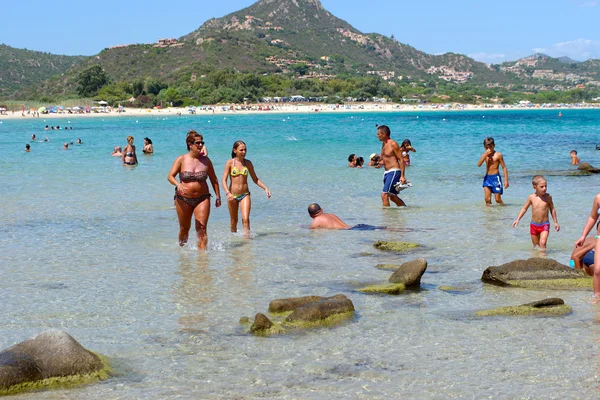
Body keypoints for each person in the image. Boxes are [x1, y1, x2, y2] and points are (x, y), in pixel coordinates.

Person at [168, 130, 222, 250]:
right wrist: (178, 184)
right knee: (184, 228)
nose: (200, 145)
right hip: (183, 199)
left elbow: (214, 179)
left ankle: (202, 261)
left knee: (202, 229)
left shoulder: (206, 161)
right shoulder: (181, 159)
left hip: (202, 198)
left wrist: (218, 197)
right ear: (189, 144)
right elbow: (170, 176)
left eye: (202, 142)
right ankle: (183, 256)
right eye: (197, 143)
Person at [222, 140, 271, 236]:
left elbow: (255, 179)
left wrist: (265, 188)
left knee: (245, 219)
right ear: (235, 150)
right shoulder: (230, 163)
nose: (244, 152)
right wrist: (228, 193)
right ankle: (234, 243)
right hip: (232, 196)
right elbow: (224, 180)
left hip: (245, 194)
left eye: (245, 150)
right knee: (233, 221)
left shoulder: (248, 163)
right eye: (241, 150)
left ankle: (247, 244)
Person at [512, 175, 560, 249]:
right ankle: (538, 258)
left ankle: (544, 259)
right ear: (535, 187)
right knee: (536, 246)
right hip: (534, 225)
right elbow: (524, 208)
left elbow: (552, 209)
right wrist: (517, 219)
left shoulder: (548, 197)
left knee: (542, 243)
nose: (544, 188)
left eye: (545, 186)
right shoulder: (531, 197)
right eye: (542, 187)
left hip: (544, 224)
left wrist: (555, 222)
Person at [574, 194, 600, 303]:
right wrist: (583, 235)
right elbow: (593, 217)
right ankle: (597, 296)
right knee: (598, 269)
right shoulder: (598, 198)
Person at [376, 125, 407, 207]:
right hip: (387, 173)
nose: (377, 135)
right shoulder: (383, 144)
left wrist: (402, 176)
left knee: (384, 195)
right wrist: (380, 163)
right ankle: (405, 210)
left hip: (394, 172)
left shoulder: (393, 144)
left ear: (384, 134)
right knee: (392, 196)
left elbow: (401, 159)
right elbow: (387, 158)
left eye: (378, 134)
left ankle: (386, 217)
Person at [477, 137, 509, 205]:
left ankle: (504, 209)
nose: (488, 149)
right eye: (486, 147)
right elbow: (479, 164)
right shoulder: (485, 155)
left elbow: (504, 167)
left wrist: (506, 181)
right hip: (487, 178)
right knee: (487, 199)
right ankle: (489, 214)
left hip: (496, 178)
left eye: (490, 147)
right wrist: (485, 155)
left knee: (497, 199)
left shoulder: (498, 155)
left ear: (494, 145)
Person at [307, 203, 386, 230]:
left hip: (351, 231)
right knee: (382, 228)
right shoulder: (331, 215)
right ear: (321, 209)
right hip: (354, 227)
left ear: (310, 215)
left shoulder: (316, 221)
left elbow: (314, 231)